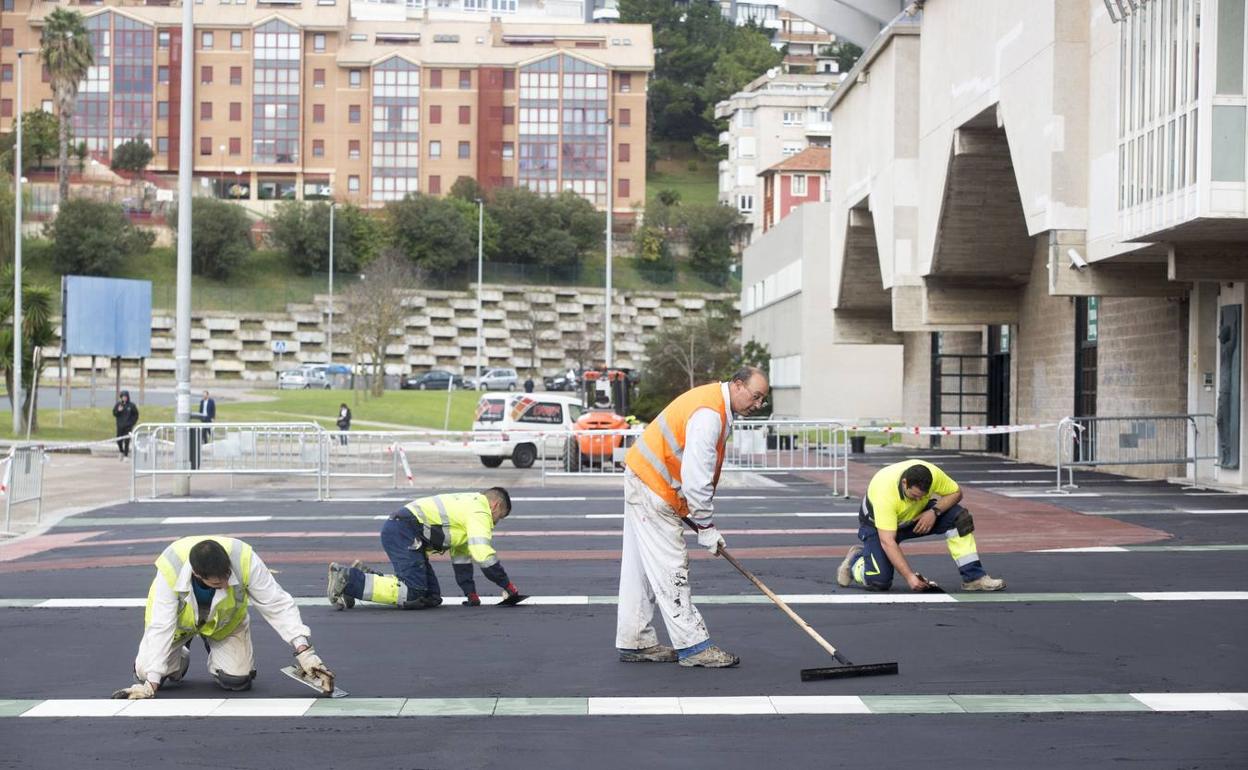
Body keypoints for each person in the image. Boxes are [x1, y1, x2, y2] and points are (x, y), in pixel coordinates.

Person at [615, 366, 770, 669]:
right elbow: (696, 477)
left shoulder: (713, 403)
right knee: (671, 565)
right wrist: (706, 526)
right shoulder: (710, 414)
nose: (758, 404)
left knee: (640, 570)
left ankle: (635, 641)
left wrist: (697, 515)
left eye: (762, 399)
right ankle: (693, 645)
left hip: (644, 479)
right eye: (756, 396)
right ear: (737, 385)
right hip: (653, 489)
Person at [111, 535, 335, 699]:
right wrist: (151, 683)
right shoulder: (171, 567)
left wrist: (304, 651)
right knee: (146, 672)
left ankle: (215, 650)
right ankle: (180, 655)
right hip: (178, 628)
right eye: (218, 584)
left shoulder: (244, 558)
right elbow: (161, 625)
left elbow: (276, 603)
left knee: (237, 681)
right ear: (198, 575)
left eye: (227, 576)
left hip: (224, 627)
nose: (227, 585)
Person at [327, 487, 522, 610]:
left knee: (431, 597)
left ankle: (364, 577)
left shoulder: (469, 508)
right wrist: (508, 586)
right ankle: (348, 579)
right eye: (500, 517)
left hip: (407, 531)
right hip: (403, 530)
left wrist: (470, 593)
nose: (496, 523)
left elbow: (462, 557)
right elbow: (483, 554)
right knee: (414, 593)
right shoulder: (480, 510)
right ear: (495, 506)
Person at [837, 460, 1006, 593]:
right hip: (878, 526)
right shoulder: (885, 494)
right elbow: (888, 541)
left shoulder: (932, 474)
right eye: (914, 495)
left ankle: (974, 578)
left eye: (923, 496)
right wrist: (910, 577)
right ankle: (855, 562)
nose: (918, 500)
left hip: (915, 517)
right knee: (879, 581)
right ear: (904, 483)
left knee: (959, 517)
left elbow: (956, 492)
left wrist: (934, 512)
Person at [113, 390, 139, 460]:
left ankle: (126, 455)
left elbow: (136, 415)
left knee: (127, 441)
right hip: (120, 426)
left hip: (128, 427)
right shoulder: (118, 405)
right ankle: (121, 451)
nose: (124, 398)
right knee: (119, 440)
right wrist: (118, 411)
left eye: (125, 397)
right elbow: (114, 413)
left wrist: (132, 423)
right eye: (123, 397)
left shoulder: (131, 405)